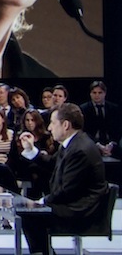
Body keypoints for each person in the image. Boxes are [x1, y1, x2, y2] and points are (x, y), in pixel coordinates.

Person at [19, 103, 109, 255]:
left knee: (30, 215)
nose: (49, 128)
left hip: (82, 211)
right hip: (74, 204)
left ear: (65, 125)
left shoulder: (80, 150)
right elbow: (52, 164)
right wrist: (31, 149)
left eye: (53, 123)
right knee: (30, 213)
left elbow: (67, 191)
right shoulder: (73, 143)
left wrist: (42, 202)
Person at [16, 109, 56, 199]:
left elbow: (51, 157)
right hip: (25, 168)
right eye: (27, 120)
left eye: (33, 120)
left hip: (43, 170)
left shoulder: (46, 137)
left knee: (42, 171)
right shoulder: (20, 137)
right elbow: (16, 158)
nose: (30, 123)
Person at [80, 80, 122, 159]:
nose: (97, 95)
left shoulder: (113, 108)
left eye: (100, 93)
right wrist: (98, 144)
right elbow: (83, 131)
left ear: (105, 93)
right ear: (90, 94)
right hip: (91, 144)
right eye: (94, 93)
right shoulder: (84, 109)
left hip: (111, 144)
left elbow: (118, 129)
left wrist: (111, 144)